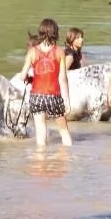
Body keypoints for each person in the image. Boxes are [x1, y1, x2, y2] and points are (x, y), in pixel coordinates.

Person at [19, 18, 73, 146]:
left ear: (40, 31)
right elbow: (63, 78)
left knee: (40, 132)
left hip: (36, 96)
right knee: (64, 132)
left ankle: (41, 157)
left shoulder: (32, 51)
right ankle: (69, 156)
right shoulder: (59, 51)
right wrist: (67, 100)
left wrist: (29, 79)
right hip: (54, 96)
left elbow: (22, 76)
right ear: (55, 32)